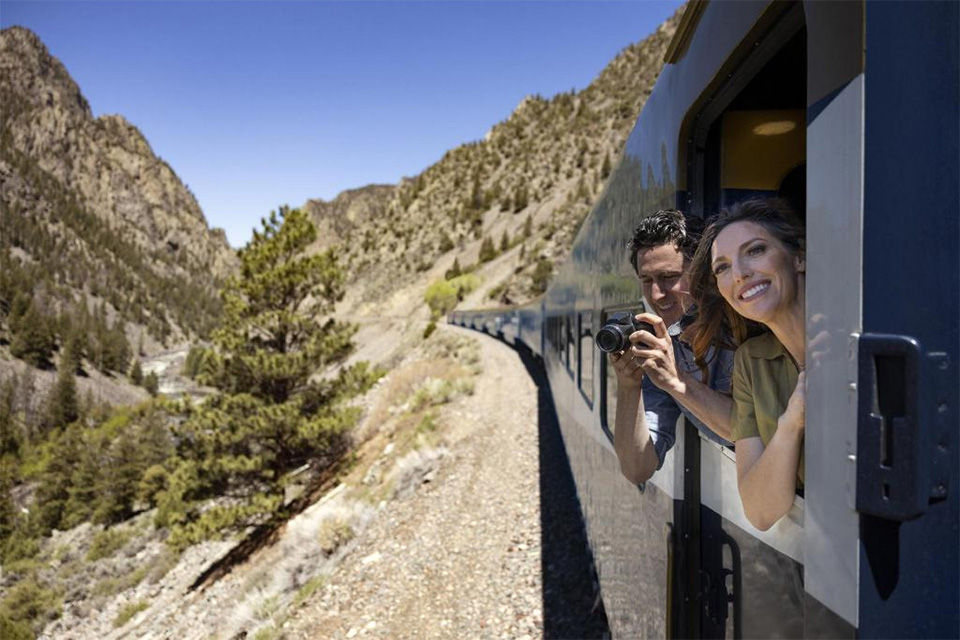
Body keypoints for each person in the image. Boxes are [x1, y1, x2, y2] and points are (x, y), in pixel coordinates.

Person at [687, 198, 805, 531]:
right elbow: (759, 510)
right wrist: (791, 423)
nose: (739, 274)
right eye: (722, 267)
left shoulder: (856, 339)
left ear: (799, 257)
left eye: (754, 250)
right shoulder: (751, 362)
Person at [611, 210, 734, 485]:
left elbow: (747, 431)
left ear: (705, 274)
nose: (656, 294)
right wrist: (629, 386)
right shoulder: (667, 346)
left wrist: (676, 380)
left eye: (669, 277)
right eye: (647, 281)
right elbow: (636, 469)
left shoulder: (745, 330)